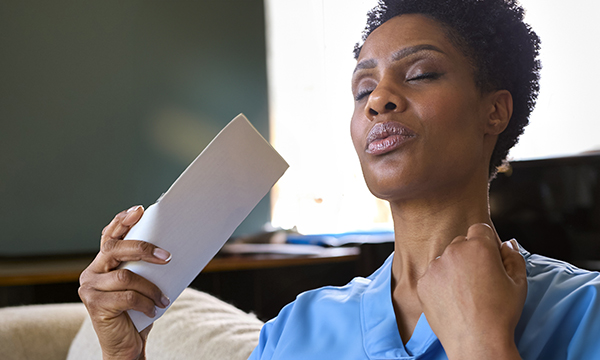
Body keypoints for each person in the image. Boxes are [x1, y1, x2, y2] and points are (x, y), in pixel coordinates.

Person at [78, 0, 600, 359]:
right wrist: (122, 353)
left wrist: (482, 342)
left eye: (419, 73)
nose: (378, 99)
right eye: (362, 88)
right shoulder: (296, 331)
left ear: (494, 112)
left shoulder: (584, 313)